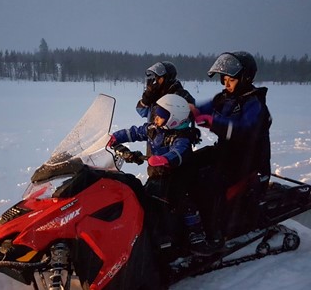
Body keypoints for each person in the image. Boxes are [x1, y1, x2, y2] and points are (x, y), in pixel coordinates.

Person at [108, 94, 214, 256]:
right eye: (156, 115)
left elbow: (179, 152)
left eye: (161, 116)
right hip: (159, 174)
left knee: (182, 200)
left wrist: (165, 159)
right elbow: (135, 132)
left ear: (173, 119)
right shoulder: (155, 129)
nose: (156, 118)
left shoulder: (181, 137)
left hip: (179, 174)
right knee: (147, 198)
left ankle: (196, 235)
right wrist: (116, 137)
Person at [191, 51, 272, 247]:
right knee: (188, 163)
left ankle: (214, 234)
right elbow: (202, 108)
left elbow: (245, 130)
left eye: (231, 80)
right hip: (226, 152)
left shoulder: (254, 103)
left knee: (208, 183)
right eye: (224, 79)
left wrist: (213, 122)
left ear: (245, 78)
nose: (226, 84)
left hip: (248, 160)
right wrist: (185, 110)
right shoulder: (224, 98)